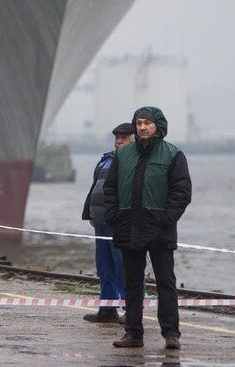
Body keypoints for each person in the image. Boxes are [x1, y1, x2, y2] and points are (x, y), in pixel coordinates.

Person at [104, 106, 191, 350]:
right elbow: (110, 189)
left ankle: (171, 334)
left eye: (147, 123)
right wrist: (114, 216)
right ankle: (133, 333)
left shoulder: (173, 154)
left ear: (158, 126)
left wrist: (166, 219)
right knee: (132, 283)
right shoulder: (124, 155)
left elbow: (181, 192)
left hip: (160, 230)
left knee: (166, 283)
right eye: (139, 123)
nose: (142, 127)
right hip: (128, 227)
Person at [81, 122, 135, 323]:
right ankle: (107, 308)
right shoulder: (105, 160)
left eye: (124, 138)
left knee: (125, 265)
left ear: (133, 140)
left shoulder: (135, 161)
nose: (119, 141)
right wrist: (88, 213)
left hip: (120, 223)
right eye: (117, 138)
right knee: (104, 265)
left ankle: (132, 309)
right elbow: (95, 187)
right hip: (101, 222)